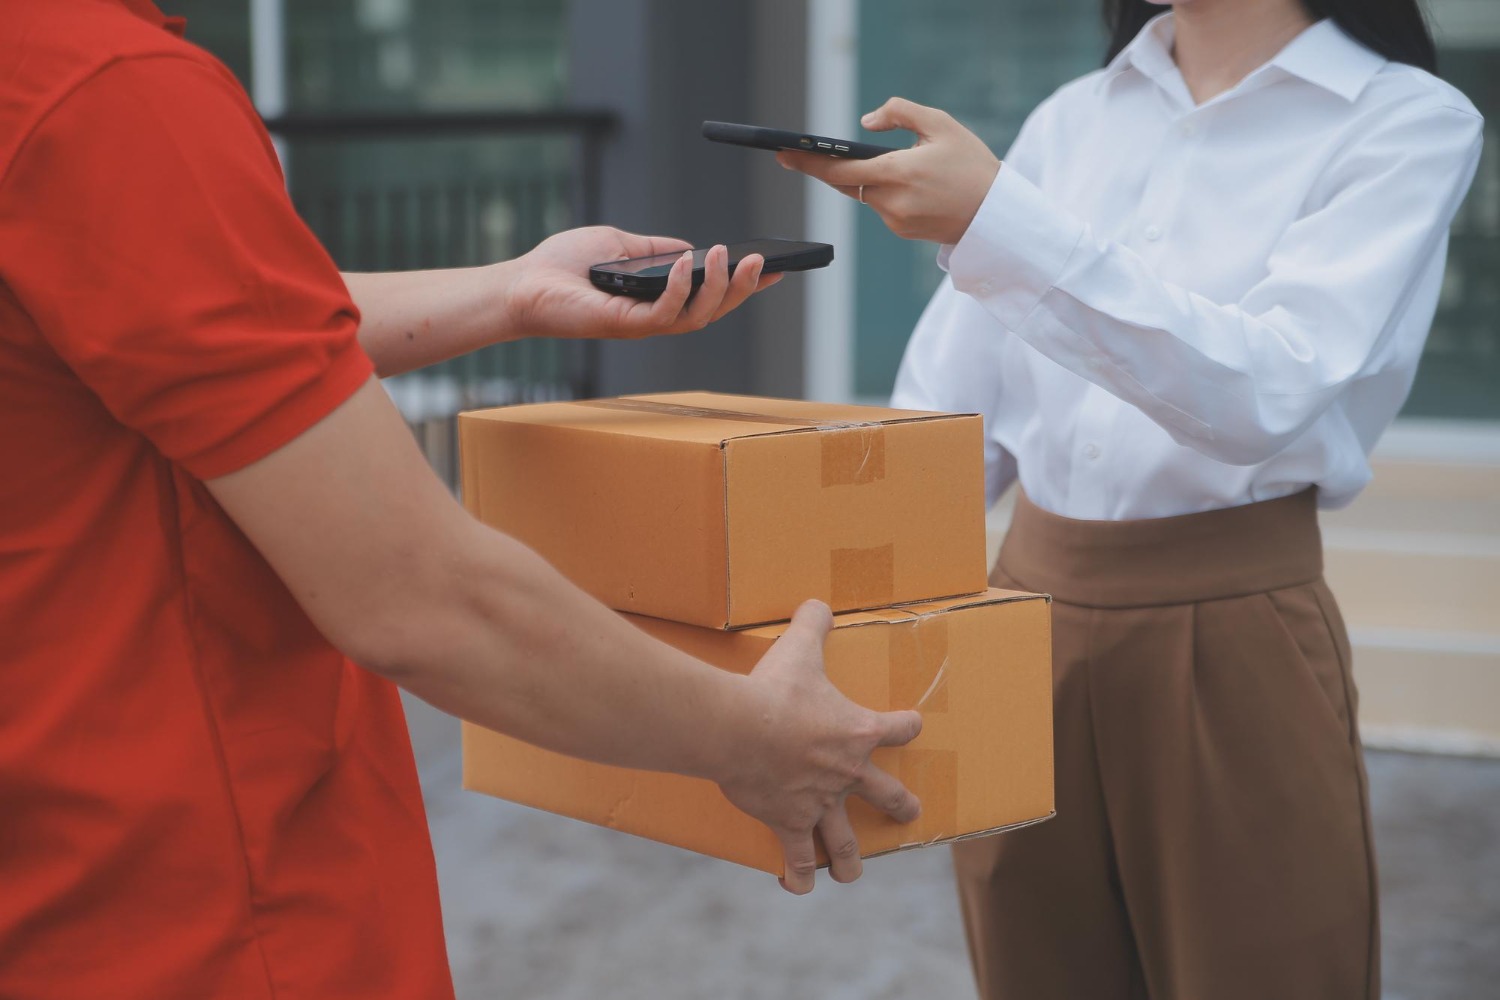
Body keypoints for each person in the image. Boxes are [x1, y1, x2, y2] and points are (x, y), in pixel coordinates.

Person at [0, 1, 925, 997]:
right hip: (199, 920)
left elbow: (187, 320)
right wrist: (755, 739)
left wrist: (513, 290)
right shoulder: (104, 93)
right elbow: (421, 593)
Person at [778, 0, 1483, 997]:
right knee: (1032, 969)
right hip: (1020, 623)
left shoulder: (1406, 119)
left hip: (1235, 634)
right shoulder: (1074, 117)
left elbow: (1267, 391)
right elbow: (940, 425)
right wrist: (821, 642)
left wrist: (1000, 224)